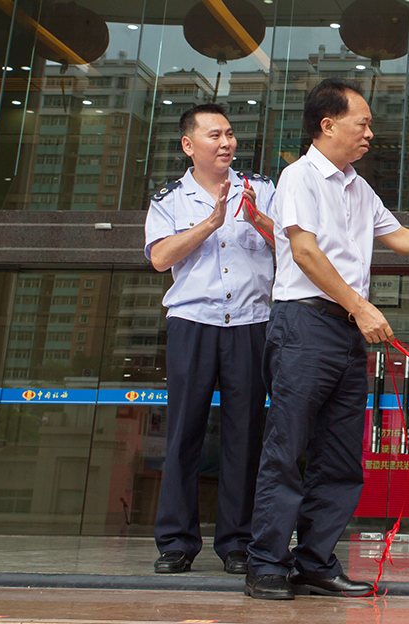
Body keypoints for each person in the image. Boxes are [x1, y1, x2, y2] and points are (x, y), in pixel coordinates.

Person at [244, 78, 409, 600]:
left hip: (344, 332)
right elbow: (305, 253)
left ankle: (315, 562)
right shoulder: (299, 177)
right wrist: (360, 306)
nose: (369, 133)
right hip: (304, 323)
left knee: (341, 455)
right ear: (328, 124)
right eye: (361, 123)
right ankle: (266, 562)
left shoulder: (358, 186)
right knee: (287, 447)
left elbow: (400, 236)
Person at [144, 103, 276, 576]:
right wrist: (211, 223)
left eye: (230, 134)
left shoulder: (260, 189)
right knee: (183, 433)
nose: (226, 143)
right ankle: (176, 542)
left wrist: (258, 220)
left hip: (250, 323)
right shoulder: (170, 199)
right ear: (189, 144)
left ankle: (237, 542)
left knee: (245, 437)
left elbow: (294, 247)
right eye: (214, 135)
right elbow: (160, 258)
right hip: (192, 322)